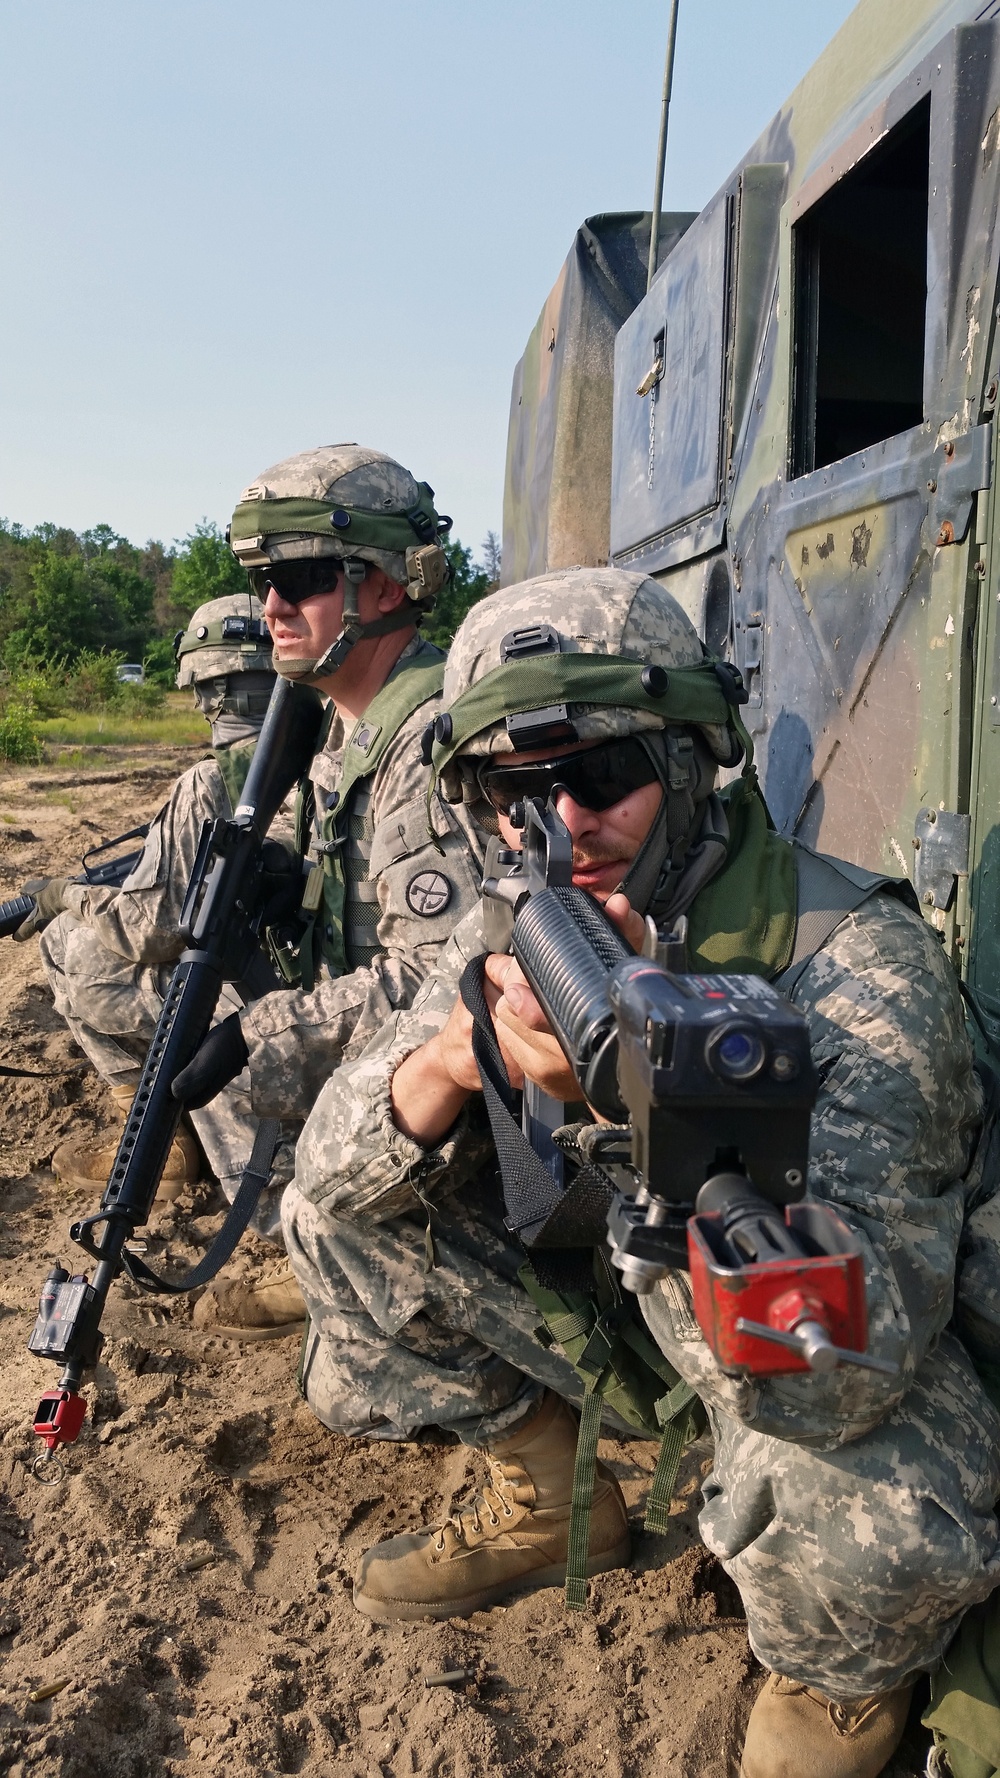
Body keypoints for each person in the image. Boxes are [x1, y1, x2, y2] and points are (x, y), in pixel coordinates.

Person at [279, 564, 1000, 1778]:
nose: (564, 823)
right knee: (344, 1212)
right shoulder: (522, 916)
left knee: (881, 1519)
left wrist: (620, 1118)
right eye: (517, 788)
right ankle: (548, 1486)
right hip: (647, 1313)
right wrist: (455, 1056)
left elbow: (843, 1370)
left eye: (601, 775)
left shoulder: (853, 969)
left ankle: (840, 1675)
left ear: (685, 765)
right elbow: (333, 1178)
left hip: (810, 1348)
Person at [170, 444, 487, 1334]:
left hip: (461, 1080)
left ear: (386, 586)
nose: (270, 605)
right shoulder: (344, 725)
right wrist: (280, 871)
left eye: (301, 577)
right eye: (265, 580)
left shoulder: (427, 742)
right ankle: (313, 1243)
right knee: (197, 995)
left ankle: (363, 1260)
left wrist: (260, 1032)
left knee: (244, 1044)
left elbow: (439, 990)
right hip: (385, 1039)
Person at [29, 592, 284, 1210]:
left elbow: (149, 931)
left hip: (256, 1006)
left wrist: (66, 895)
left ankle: (164, 1145)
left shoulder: (215, 780)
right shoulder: (336, 753)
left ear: (208, 690)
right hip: (344, 983)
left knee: (68, 945)